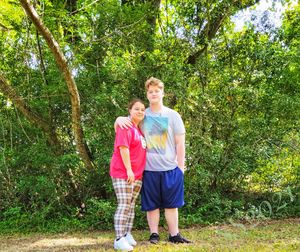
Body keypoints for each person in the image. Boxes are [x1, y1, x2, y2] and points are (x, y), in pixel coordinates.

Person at [115, 77, 191, 244]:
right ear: (147, 94)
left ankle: (174, 235)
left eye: (157, 91)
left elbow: (180, 142)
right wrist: (118, 119)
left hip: (171, 169)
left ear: (163, 93)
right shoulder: (142, 114)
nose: (154, 93)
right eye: (151, 91)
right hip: (148, 170)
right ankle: (154, 234)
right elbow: (124, 127)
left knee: (172, 205)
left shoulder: (173, 115)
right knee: (152, 205)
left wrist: (181, 167)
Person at [110, 98, 147, 251]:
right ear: (130, 111)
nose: (140, 111)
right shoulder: (125, 125)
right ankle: (119, 239)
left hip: (137, 175)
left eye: (142, 109)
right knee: (124, 204)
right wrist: (129, 170)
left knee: (131, 206)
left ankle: (127, 234)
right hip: (123, 172)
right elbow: (123, 148)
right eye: (136, 108)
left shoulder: (138, 130)